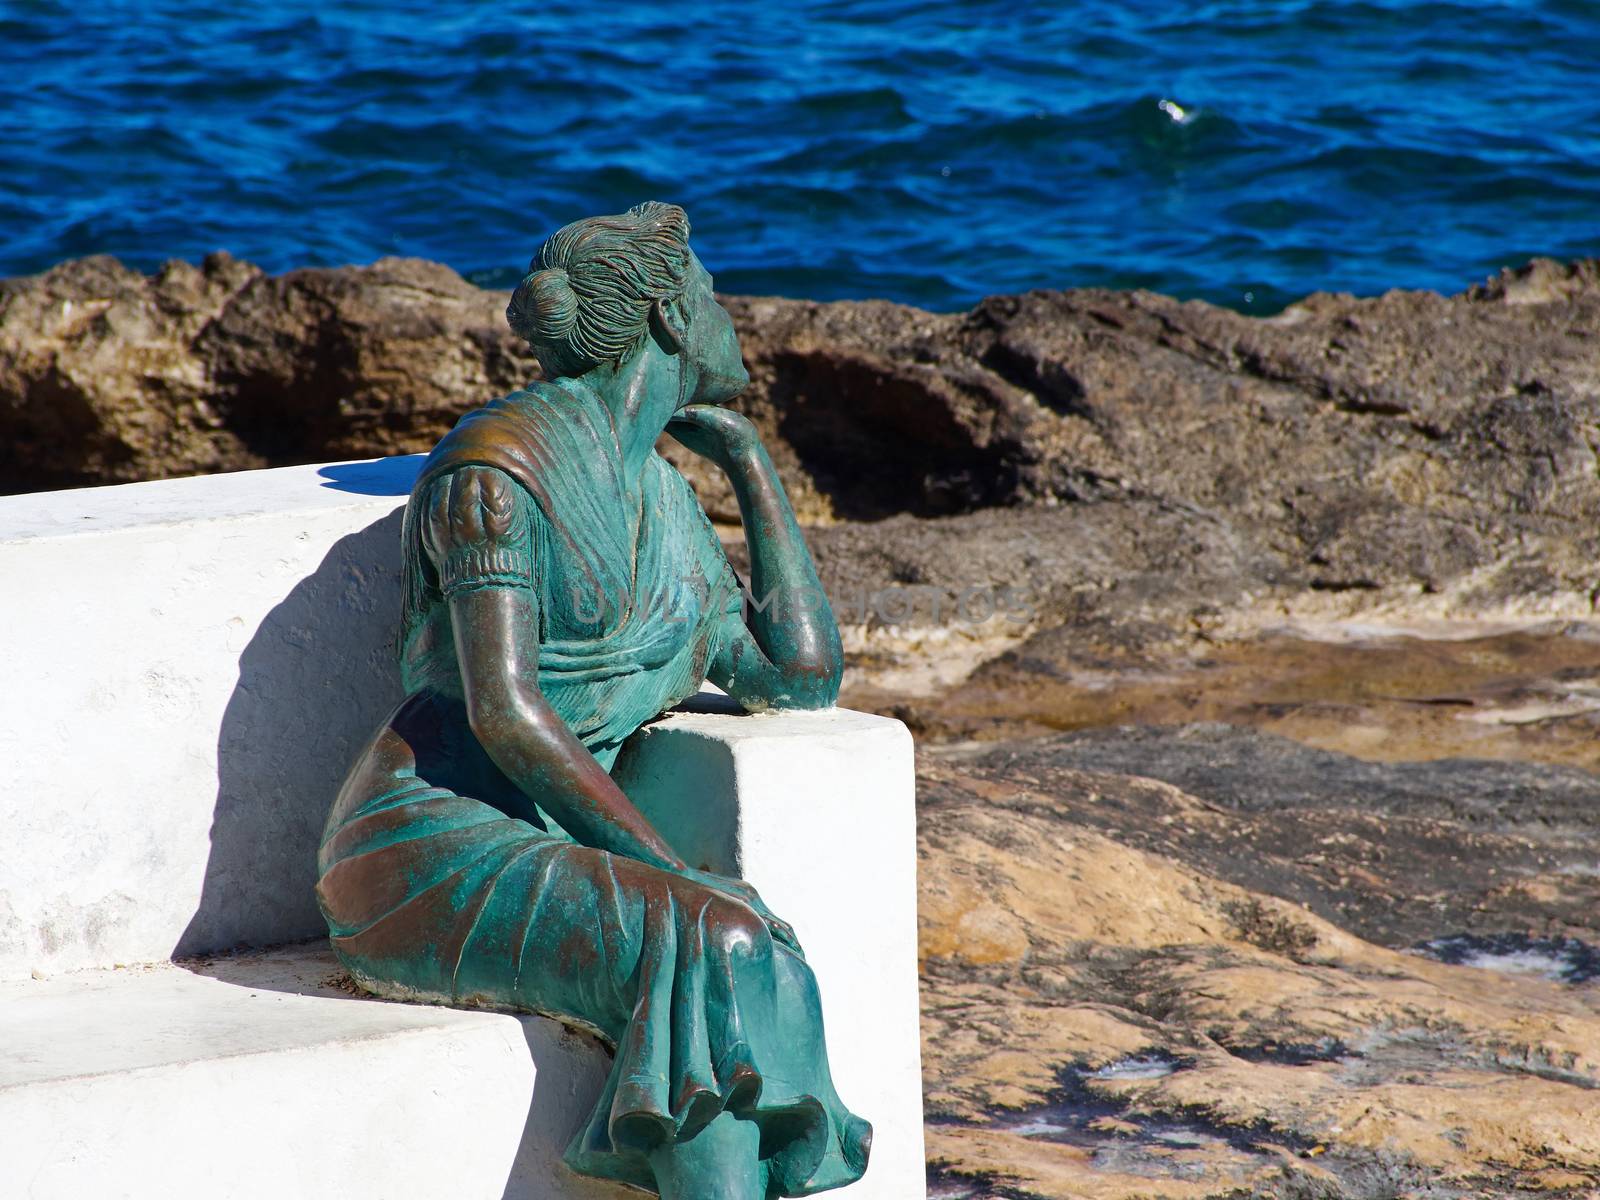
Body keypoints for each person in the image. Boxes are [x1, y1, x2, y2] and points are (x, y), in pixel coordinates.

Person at [315, 202, 870, 1199]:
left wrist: (749, 467)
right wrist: (671, 871)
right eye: (707, 292)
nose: (724, 312)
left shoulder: (663, 502)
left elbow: (798, 675)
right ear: (666, 312)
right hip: (431, 845)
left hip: (552, 843)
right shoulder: (495, 473)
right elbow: (504, 713)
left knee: (751, 963)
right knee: (722, 937)